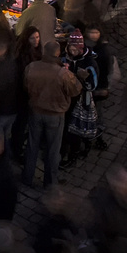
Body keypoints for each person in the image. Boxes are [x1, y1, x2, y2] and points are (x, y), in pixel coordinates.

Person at [22, 40, 80, 188]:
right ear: (57, 54)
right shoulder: (62, 73)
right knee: (53, 149)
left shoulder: (31, 67)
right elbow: (75, 90)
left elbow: (25, 86)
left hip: (35, 111)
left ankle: (27, 178)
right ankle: (50, 183)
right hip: (55, 115)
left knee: (32, 145)